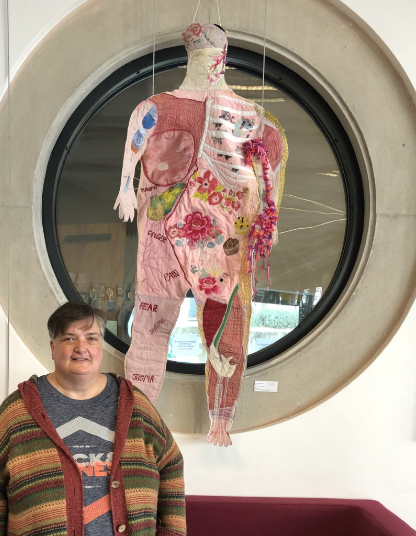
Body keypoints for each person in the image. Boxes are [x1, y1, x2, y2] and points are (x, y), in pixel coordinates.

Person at [113, 23, 288, 446]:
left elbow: (273, 161)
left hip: (225, 236)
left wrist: (269, 216)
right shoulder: (158, 106)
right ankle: (136, 422)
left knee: (224, 318)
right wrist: (124, 186)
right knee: (152, 320)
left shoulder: (254, 118)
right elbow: (136, 146)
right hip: (164, 229)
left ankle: (220, 420)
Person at [0, 302, 186, 536]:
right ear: (53, 348)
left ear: (101, 347)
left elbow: (171, 463)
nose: (81, 348)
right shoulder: (16, 412)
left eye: (91, 338)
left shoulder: (136, 406)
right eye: (69, 338)